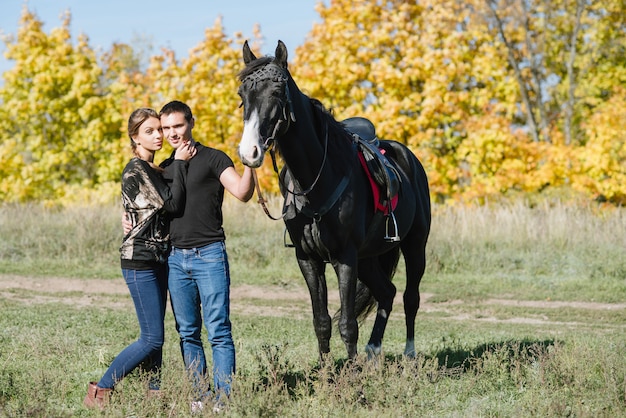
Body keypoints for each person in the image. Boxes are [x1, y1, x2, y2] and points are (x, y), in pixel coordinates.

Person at [84, 108, 194, 409]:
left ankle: (153, 394)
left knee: (155, 333)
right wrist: (182, 164)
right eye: (150, 131)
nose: (159, 135)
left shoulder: (152, 169)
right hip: (139, 260)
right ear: (135, 137)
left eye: (160, 129)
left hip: (157, 258)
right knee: (152, 338)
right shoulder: (137, 168)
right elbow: (171, 204)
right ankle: (100, 391)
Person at [157, 100, 255, 411]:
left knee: (218, 330)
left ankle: (223, 400)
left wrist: (251, 164)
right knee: (187, 331)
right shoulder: (164, 166)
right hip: (175, 258)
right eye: (167, 128)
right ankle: (198, 397)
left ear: (191, 123)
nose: (173, 133)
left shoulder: (214, 158)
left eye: (178, 125)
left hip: (209, 255)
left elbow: (241, 192)